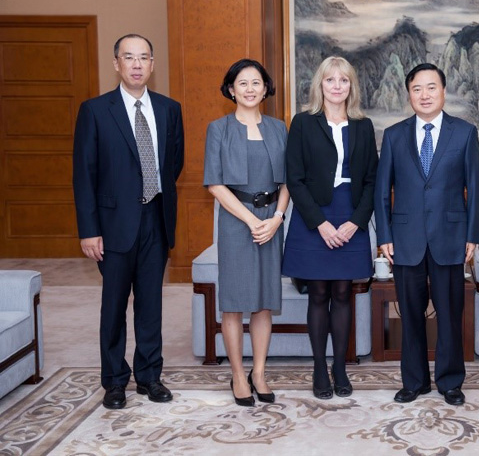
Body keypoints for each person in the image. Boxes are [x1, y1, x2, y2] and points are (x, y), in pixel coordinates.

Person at [73, 33, 184, 410]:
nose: (137, 65)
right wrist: (89, 229)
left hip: (156, 217)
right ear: (116, 63)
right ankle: (115, 381)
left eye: (144, 58)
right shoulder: (95, 110)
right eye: (129, 57)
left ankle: (150, 376)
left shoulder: (170, 109)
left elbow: (174, 164)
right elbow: (83, 175)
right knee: (115, 305)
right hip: (113, 223)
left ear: (153, 65)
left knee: (151, 304)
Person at [374, 63, 479, 406]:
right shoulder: (393, 135)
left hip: (451, 238)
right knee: (410, 314)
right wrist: (385, 236)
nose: (424, 94)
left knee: (450, 314)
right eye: (417, 89)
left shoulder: (464, 133)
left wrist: (472, 235)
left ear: (443, 91)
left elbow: (476, 188)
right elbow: (382, 191)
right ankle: (415, 381)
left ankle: (451, 382)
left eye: (431, 87)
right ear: (409, 95)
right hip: (405, 240)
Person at [282, 56, 378, 399]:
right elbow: (294, 178)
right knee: (319, 293)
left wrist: (356, 222)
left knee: (343, 293)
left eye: (344, 80)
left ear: (351, 86)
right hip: (314, 215)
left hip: (351, 213)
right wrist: (320, 223)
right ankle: (319, 367)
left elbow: (372, 181)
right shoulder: (304, 123)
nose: (337, 86)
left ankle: (340, 366)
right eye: (330, 80)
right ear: (319, 85)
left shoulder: (363, 126)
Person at [204, 59, 290, 407]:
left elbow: (289, 181)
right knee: (235, 303)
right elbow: (215, 183)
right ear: (230, 89)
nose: (250, 89)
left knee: (265, 302)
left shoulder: (279, 128)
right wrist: (251, 221)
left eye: (256, 82)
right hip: (236, 221)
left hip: (272, 220)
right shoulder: (219, 128)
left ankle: (259, 372)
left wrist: (276, 219)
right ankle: (238, 374)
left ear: (266, 88)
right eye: (243, 83)